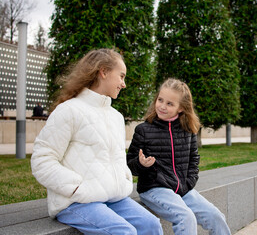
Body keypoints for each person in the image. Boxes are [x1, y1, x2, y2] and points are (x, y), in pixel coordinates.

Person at [31, 48, 163, 235]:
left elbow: (115, 158)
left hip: (112, 197)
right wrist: (76, 187)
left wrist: (123, 177)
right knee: (124, 232)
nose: (123, 84)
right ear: (103, 72)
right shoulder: (69, 110)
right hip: (76, 201)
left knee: (152, 225)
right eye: (121, 76)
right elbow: (41, 160)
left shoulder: (116, 117)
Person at [127, 78, 231, 235]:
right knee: (186, 217)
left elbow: (193, 160)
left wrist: (188, 183)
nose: (162, 106)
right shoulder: (143, 130)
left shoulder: (187, 130)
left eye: (170, 103)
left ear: (181, 108)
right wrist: (141, 163)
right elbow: (129, 165)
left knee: (216, 216)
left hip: (182, 189)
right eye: (160, 100)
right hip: (154, 189)